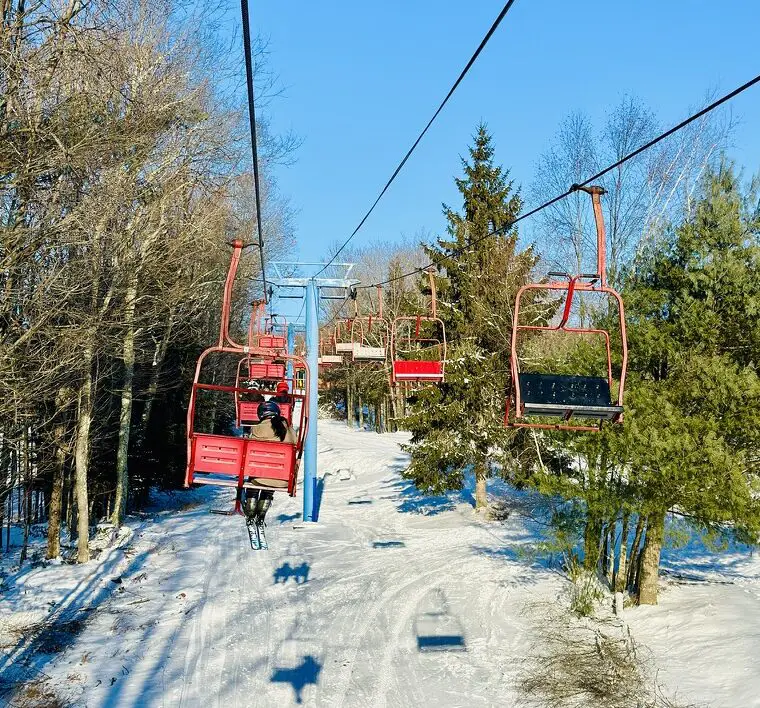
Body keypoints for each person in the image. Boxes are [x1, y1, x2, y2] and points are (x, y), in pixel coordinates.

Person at [244, 401, 297, 523]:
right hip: (282, 479)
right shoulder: (290, 430)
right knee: (273, 476)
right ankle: (262, 513)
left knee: (257, 478)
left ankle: (251, 510)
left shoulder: (256, 429)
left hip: (259, 477)